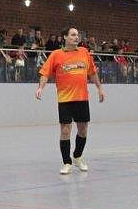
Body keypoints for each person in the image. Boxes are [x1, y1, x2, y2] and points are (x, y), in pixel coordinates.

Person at [36, 27, 106, 175]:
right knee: (65, 130)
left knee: (83, 129)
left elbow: (92, 72)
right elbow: (45, 73)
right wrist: (41, 88)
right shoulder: (56, 55)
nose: (76, 37)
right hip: (65, 99)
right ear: (65, 38)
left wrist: (99, 88)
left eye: (77, 35)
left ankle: (77, 156)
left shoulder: (84, 53)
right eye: (73, 35)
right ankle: (66, 162)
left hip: (82, 98)